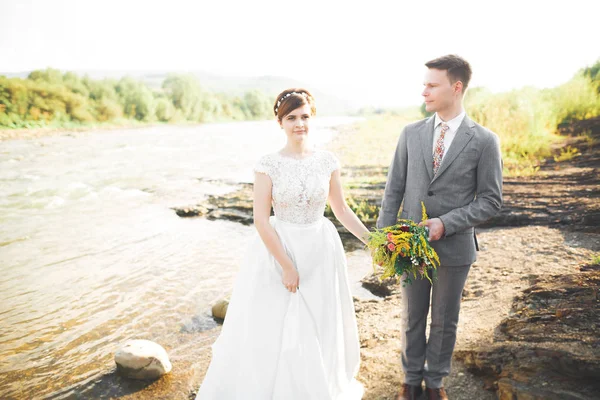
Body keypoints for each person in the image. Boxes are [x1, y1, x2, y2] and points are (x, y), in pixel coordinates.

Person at [196, 88, 369, 399]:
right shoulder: (268, 164)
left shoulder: (328, 161)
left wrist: (373, 241)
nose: (299, 123)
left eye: (304, 117)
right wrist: (287, 265)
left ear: (312, 118)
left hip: (320, 249)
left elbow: (341, 209)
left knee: (318, 321)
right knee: (272, 327)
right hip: (278, 250)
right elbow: (261, 220)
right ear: (280, 122)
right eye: (291, 118)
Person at [376, 55, 503, 400]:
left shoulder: (485, 141)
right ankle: (410, 380)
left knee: (445, 321)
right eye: (424, 85)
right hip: (408, 246)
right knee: (412, 317)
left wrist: (446, 224)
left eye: (432, 85)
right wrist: (382, 238)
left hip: (456, 247)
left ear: (456, 87)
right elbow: (394, 190)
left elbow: (491, 200)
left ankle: (435, 384)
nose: (424, 92)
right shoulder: (410, 133)